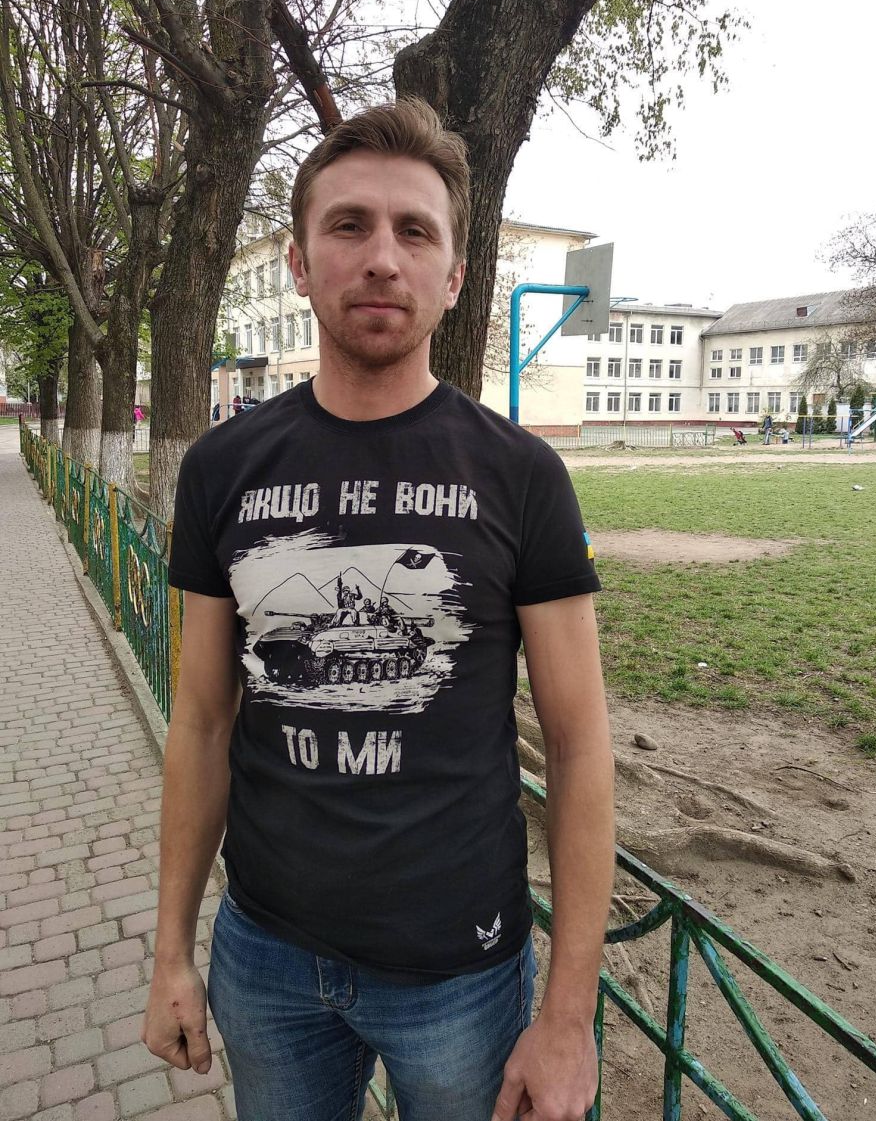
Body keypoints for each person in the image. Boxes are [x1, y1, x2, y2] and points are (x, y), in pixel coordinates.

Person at [144, 99, 615, 1121]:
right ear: (299, 261)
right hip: (266, 956)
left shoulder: (522, 477)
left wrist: (568, 1017)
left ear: (454, 277)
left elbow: (580, 746)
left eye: (415, 232)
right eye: (349, 225)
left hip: (461, 973)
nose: (382, 258)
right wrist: (171, 950)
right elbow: (203, 720)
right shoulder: (222, 468)